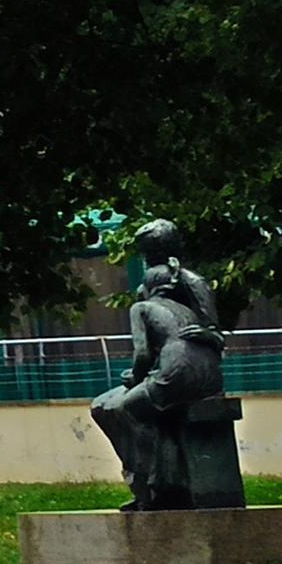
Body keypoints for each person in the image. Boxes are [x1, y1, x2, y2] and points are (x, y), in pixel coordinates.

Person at [88, 219, 226, 510]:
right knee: (130, 407)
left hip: (180, 375)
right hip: (193, 374)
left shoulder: (183, 283)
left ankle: (153, 486)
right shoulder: (166, 293)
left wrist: (136, 376)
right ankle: (157, 483)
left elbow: (212, 333)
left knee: (126, 408)